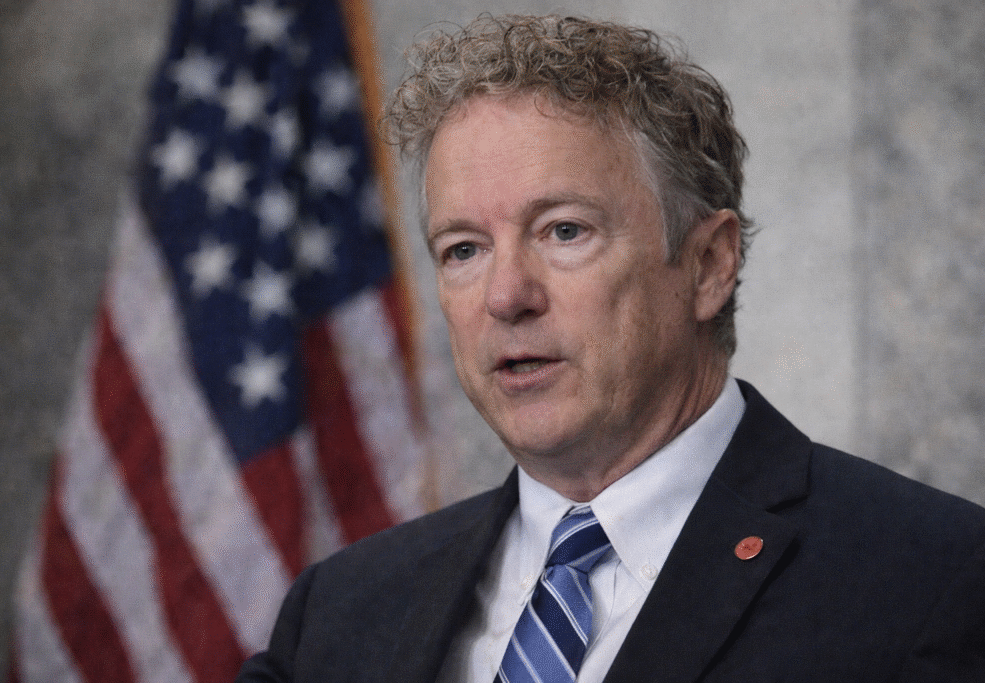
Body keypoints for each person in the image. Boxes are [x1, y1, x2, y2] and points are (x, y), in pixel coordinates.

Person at [237, 14, 985, 682]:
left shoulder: (933, 581)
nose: (506, 295)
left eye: (564, 230)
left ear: (708, 265)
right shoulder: (338, 614)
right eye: (463, 249)